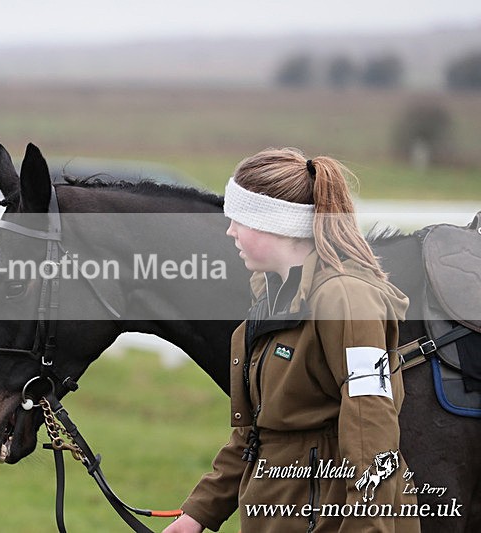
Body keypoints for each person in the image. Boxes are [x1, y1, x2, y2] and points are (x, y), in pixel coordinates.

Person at [165, 148, 419, 532]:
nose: (229, 230)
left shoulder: (345, 298)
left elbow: (372, 425)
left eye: (240, 220)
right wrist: (197, 515)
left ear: (277, 225)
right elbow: (257, 434)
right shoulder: (272, 297)